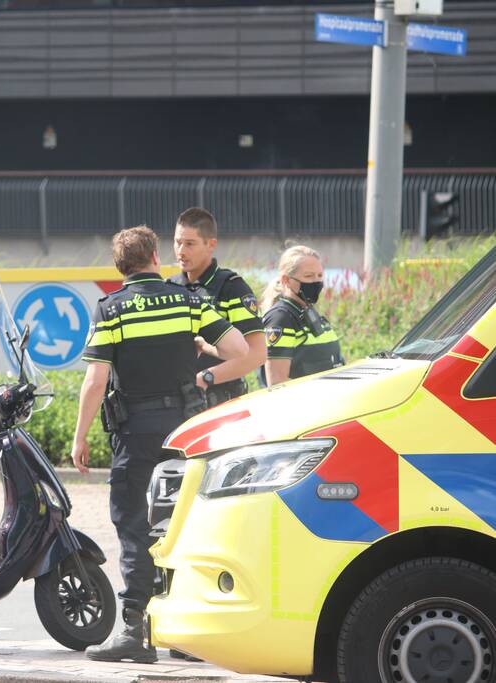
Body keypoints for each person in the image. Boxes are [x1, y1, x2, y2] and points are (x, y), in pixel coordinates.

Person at [70, 225, 248, 663]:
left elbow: (95, 382)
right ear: (154, 257)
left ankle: (135, 632)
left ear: (120, 266)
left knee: (134, 526)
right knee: (184, 522)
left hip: (135, 435)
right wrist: (203, 374)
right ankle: (188, 632)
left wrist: (79, 437)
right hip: (187, 433)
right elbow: (241, 350)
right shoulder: (190, 302)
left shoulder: (110, 310)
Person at [169, 207, 266, 407]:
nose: (181, 251)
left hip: (221, 403)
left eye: (190, 244)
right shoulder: (169, 287)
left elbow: (257, 353)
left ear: (211, 244)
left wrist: (206, 378)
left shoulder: (231, 287)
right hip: (175, 404)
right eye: (178, 242)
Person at [261, 245, 345, 386]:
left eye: (319, 275)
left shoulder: (309, 312)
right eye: (308, 276)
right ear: (286, 280)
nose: (316, 282)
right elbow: (277, 383)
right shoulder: (281, 319)